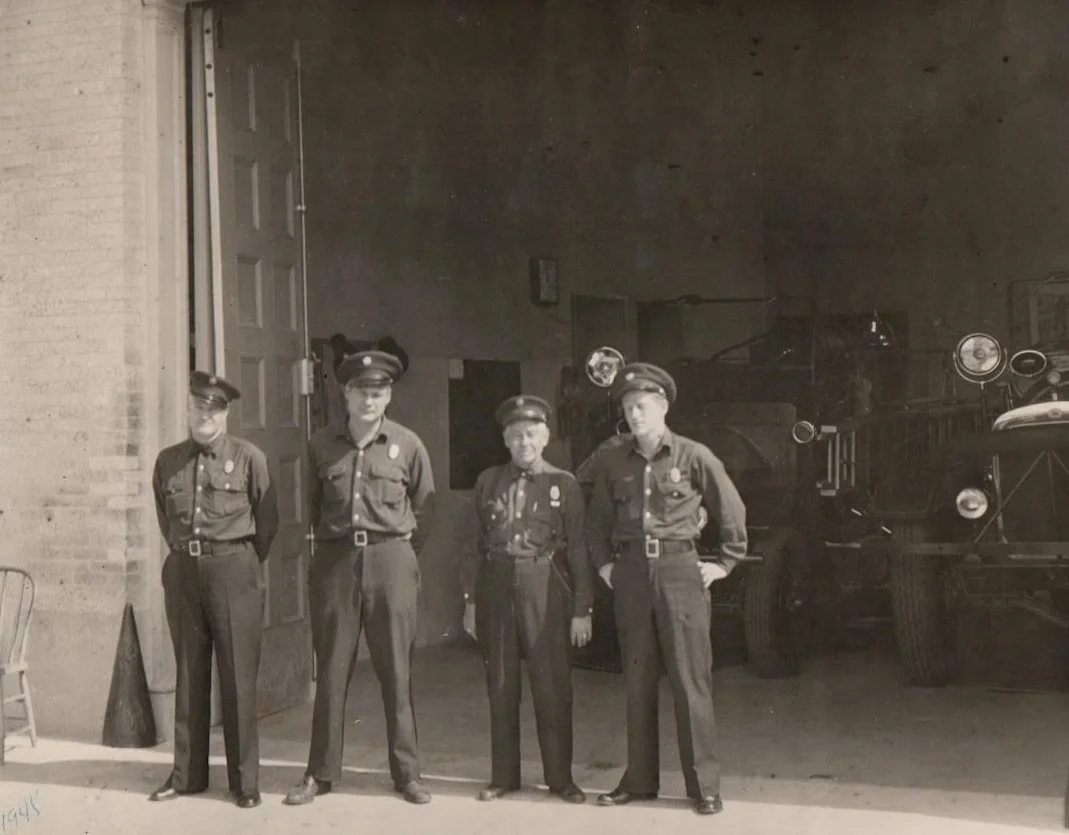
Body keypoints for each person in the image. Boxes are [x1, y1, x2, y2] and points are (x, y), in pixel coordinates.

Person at [585, 363, 747, 817]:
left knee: (689, 681)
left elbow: (731, 511)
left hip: (680, 571)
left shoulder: (695, 456)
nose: (635, 415)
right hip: (632, 574)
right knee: (637, 680)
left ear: (663, 407)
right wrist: (605, 568)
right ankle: (638, 780)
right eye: (628, 407)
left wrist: (723, 563)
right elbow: (596, 522)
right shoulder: (614, 460)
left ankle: (704, 787)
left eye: (643, 406)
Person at [285, 349, 436, 806]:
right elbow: (311, 507)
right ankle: (320, 773)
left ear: (388, 396)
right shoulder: (321, 445)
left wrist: (399, 554)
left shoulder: (408, 444)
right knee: (331, 669)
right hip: (336, 563)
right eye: (361, 393)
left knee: (396, 670)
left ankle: (407, 773)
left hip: (391, 561)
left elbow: (425, 509)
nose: (369, 401)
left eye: (378, 393)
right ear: (346, 394)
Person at [149, 371, 279, 809]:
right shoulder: (168, 460)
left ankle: (245, 783)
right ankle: (187, 775)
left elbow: (268, 523)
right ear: (188, 410)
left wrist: (236, 562)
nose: (204, 415)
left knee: (238, 675)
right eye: (197, 407)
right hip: (184, 569)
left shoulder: (248, 457)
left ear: (225, 413)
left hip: (233, 568)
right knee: (189, 672)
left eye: (213, 409)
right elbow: (165, 519)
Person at [462, 395, 594, 804]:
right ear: (505, 439)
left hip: (545, 584)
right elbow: (472, 546)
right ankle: (504, 777)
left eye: (532, 434)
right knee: (501, 682)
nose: (524, 442)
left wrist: (581, 610)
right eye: (516, 435)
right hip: (496, 585)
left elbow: (578, 551)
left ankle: (560, 779)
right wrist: (469, 602)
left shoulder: (564, 484)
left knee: (551, 683)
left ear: (546, 437)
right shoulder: (487, 481)